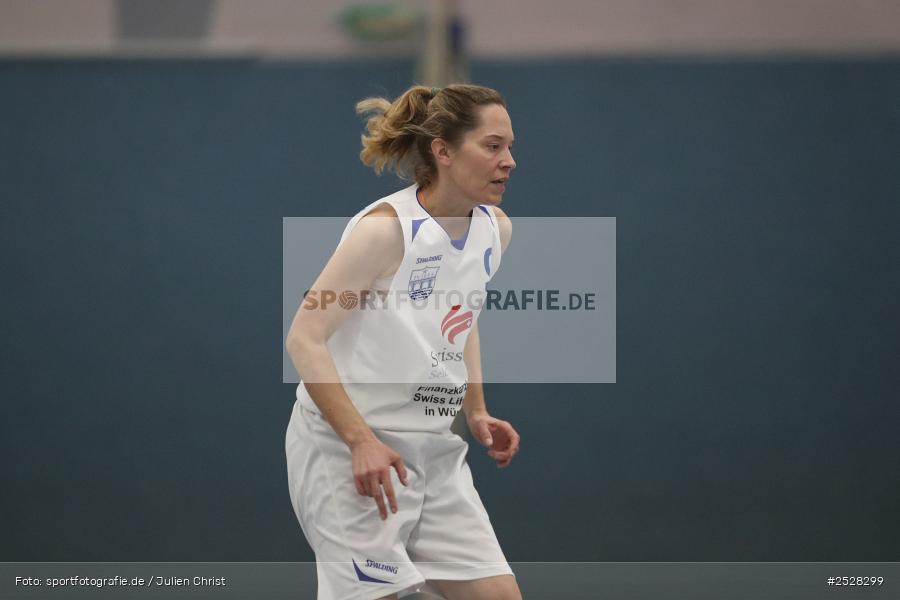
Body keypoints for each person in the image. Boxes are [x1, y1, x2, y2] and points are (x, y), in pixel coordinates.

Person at [285, 83, 522, 600]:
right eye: (492, 146)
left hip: (431, 447)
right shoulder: (384, 232)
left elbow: (461, 316)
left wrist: (477, 409)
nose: (509, 161)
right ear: (442, 151)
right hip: (348, 448)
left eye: (510, 147)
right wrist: (359, 441)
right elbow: (304, 339)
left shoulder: (494, 230)